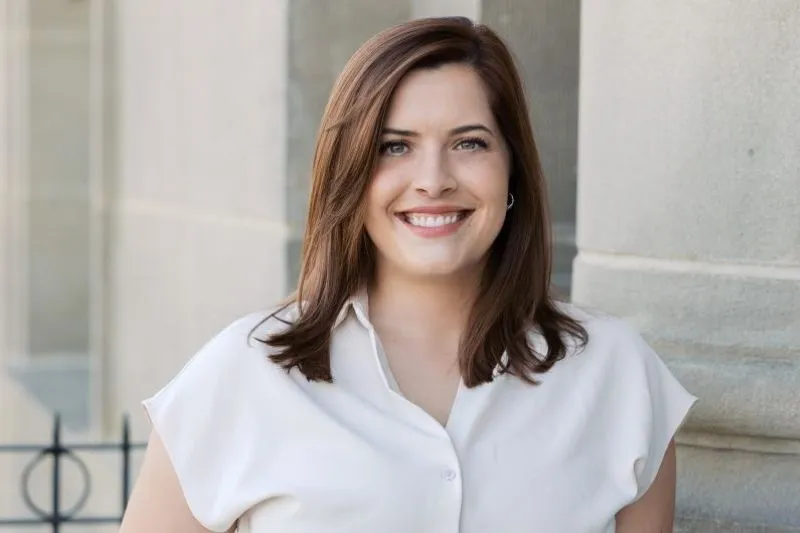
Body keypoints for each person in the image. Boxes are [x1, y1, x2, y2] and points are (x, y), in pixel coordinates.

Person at [119, 16, 697, 533]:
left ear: (512, 170)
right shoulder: (243, 374)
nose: (433, 179)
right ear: (349, 173)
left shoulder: (617, 376)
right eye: (394, 147)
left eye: (469, 143)